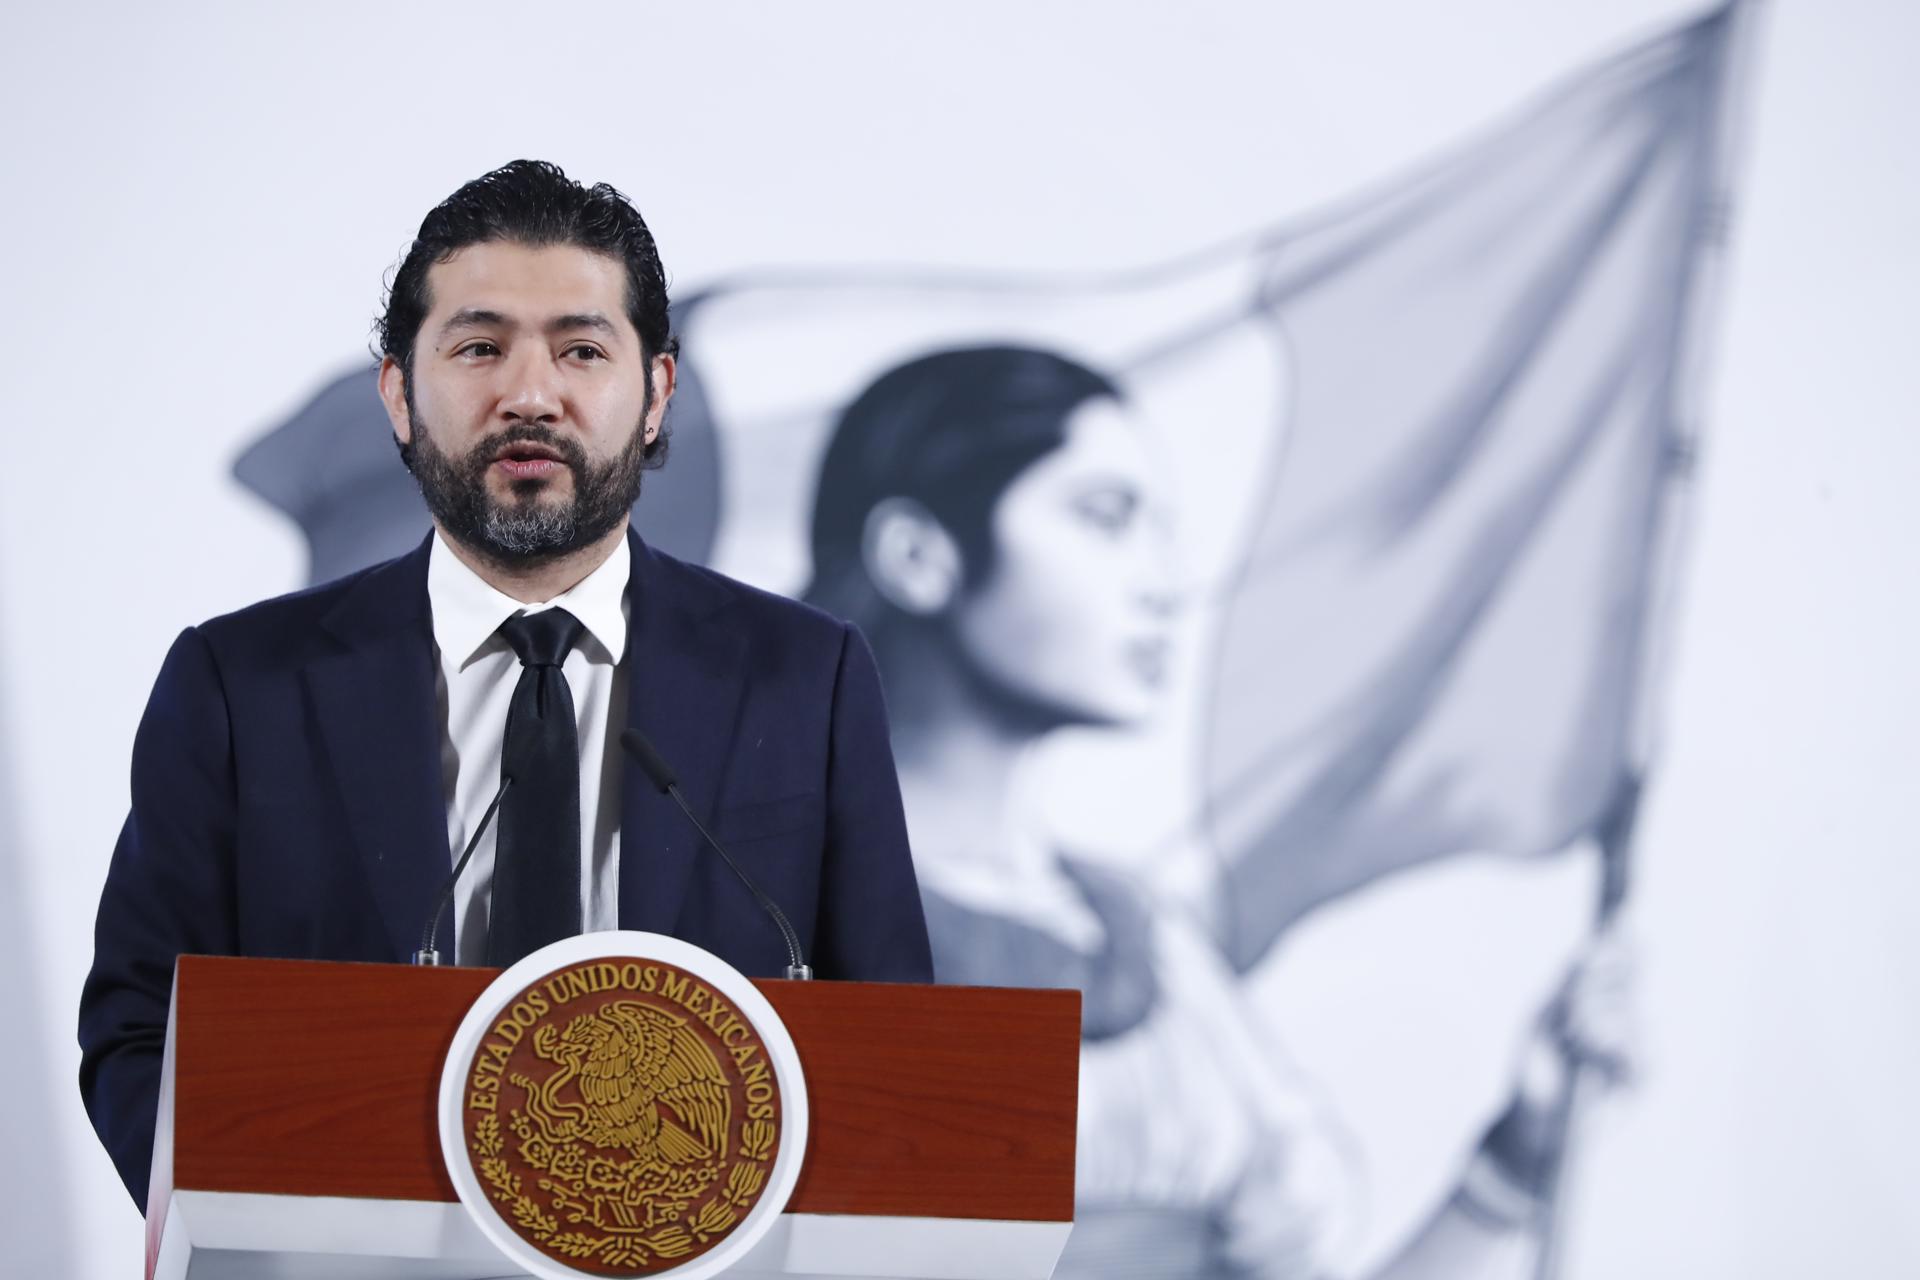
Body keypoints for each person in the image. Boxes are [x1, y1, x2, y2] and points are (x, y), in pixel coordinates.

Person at [78, 160, 932, 1213]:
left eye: (582, 348)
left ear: (658, 394)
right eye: (479, 347)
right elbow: (140, 1029)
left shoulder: (807, 675)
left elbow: (897, 1048)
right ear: (399, 394)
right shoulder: (242, 685)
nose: (530, 394)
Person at [803, 344, 1626, 1279]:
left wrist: (1510, 1167)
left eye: (1160, 529)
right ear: (918, 554)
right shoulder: (788, 913)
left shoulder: (1144, 938)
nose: (1162, 583)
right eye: (1105, 518)